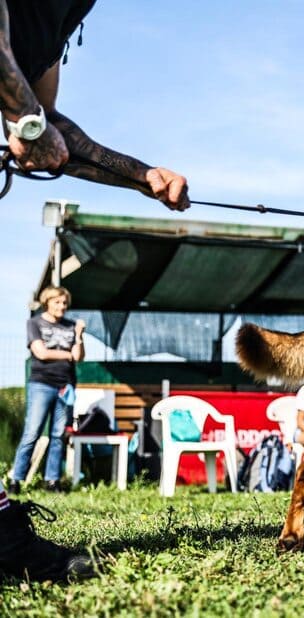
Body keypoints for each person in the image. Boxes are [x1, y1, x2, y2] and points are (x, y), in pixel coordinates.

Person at [0, 0, 191, 582]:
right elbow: (32, 119)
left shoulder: (62, 13)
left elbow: (51, 124)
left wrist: (142, 176)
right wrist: (27, 121)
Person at [9, 286, 83, 492]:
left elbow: (79, 355)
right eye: (57, 302)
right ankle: (16, 479)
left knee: (58, 434)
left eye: (64, 303)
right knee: (32, 432)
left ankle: (52, 480)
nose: (61, 306)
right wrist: (68, 355)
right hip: (41, 384)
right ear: (47, 302)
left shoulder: (71, 326)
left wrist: (79, 335)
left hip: (65, 386)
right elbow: (40, 353)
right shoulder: (35, 323)